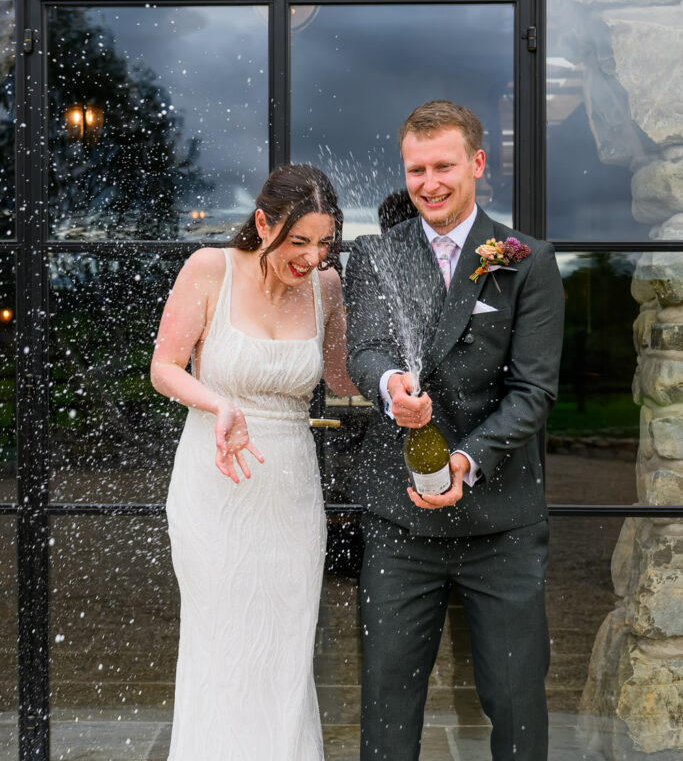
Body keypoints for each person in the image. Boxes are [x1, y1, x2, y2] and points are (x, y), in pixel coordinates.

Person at [345, 101, 565, 761]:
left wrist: (465, 461)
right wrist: (391, 390)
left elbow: (534, 393)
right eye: (415, 169)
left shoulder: (525, 259)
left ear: (476, 164)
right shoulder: (376, 253)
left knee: (516, 700)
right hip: (399, 522)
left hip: (500, 521)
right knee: (386, 702)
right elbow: (366, 349)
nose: (429, 182)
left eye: (442, 165)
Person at [150, 163, 358, 761]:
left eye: (324, 242)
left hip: (291, 489)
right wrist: (218, 403)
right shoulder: (209, 269)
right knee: (222, 642)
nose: (312, 257)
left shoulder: (328, 288)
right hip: (215, 480)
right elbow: (165, 368)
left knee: (287, 645)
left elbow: (341, 378)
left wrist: (399, 379)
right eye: (299, 241)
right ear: (263, 221)